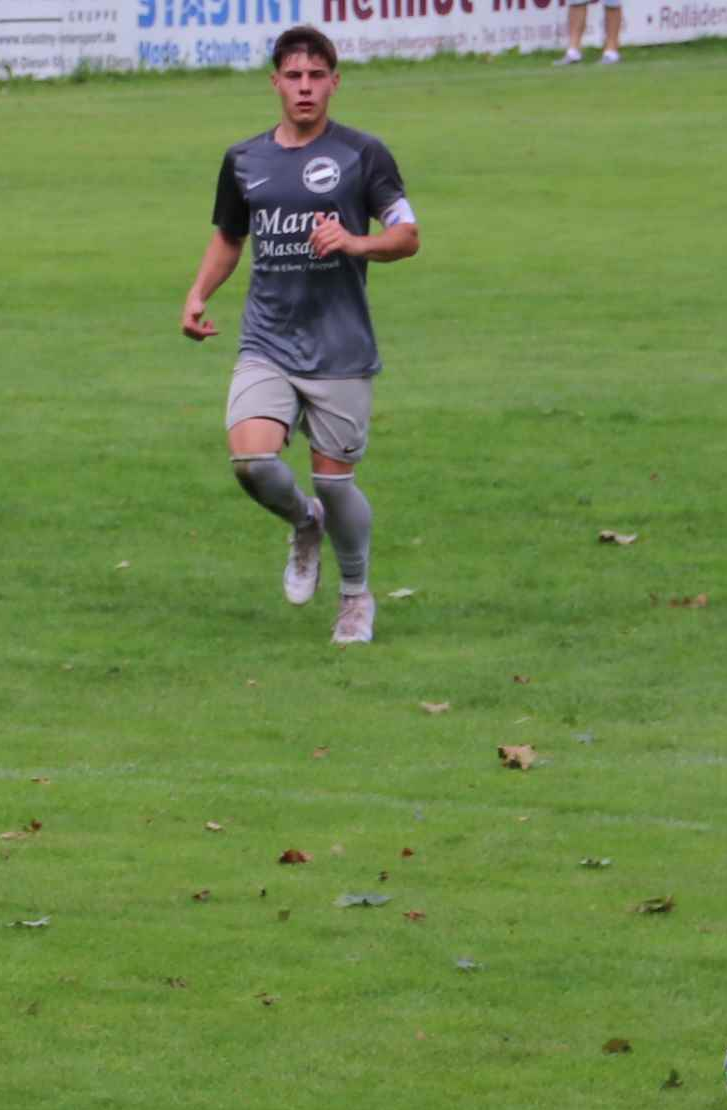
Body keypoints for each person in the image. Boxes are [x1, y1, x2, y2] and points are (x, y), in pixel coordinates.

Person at [180, 26, 420, 647]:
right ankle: (303, 522)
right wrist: (199, 293)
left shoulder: (364, 154)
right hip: (268, 340)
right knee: (252, 462)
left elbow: (407, 235)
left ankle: (355, 597)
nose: (305, 88)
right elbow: (229, 237)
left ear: (335, 82)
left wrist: (356, 241)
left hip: (341, 346)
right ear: (276, 83)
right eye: (294, 76)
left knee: (335, 483)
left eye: (316, 76)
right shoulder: (244, 160)